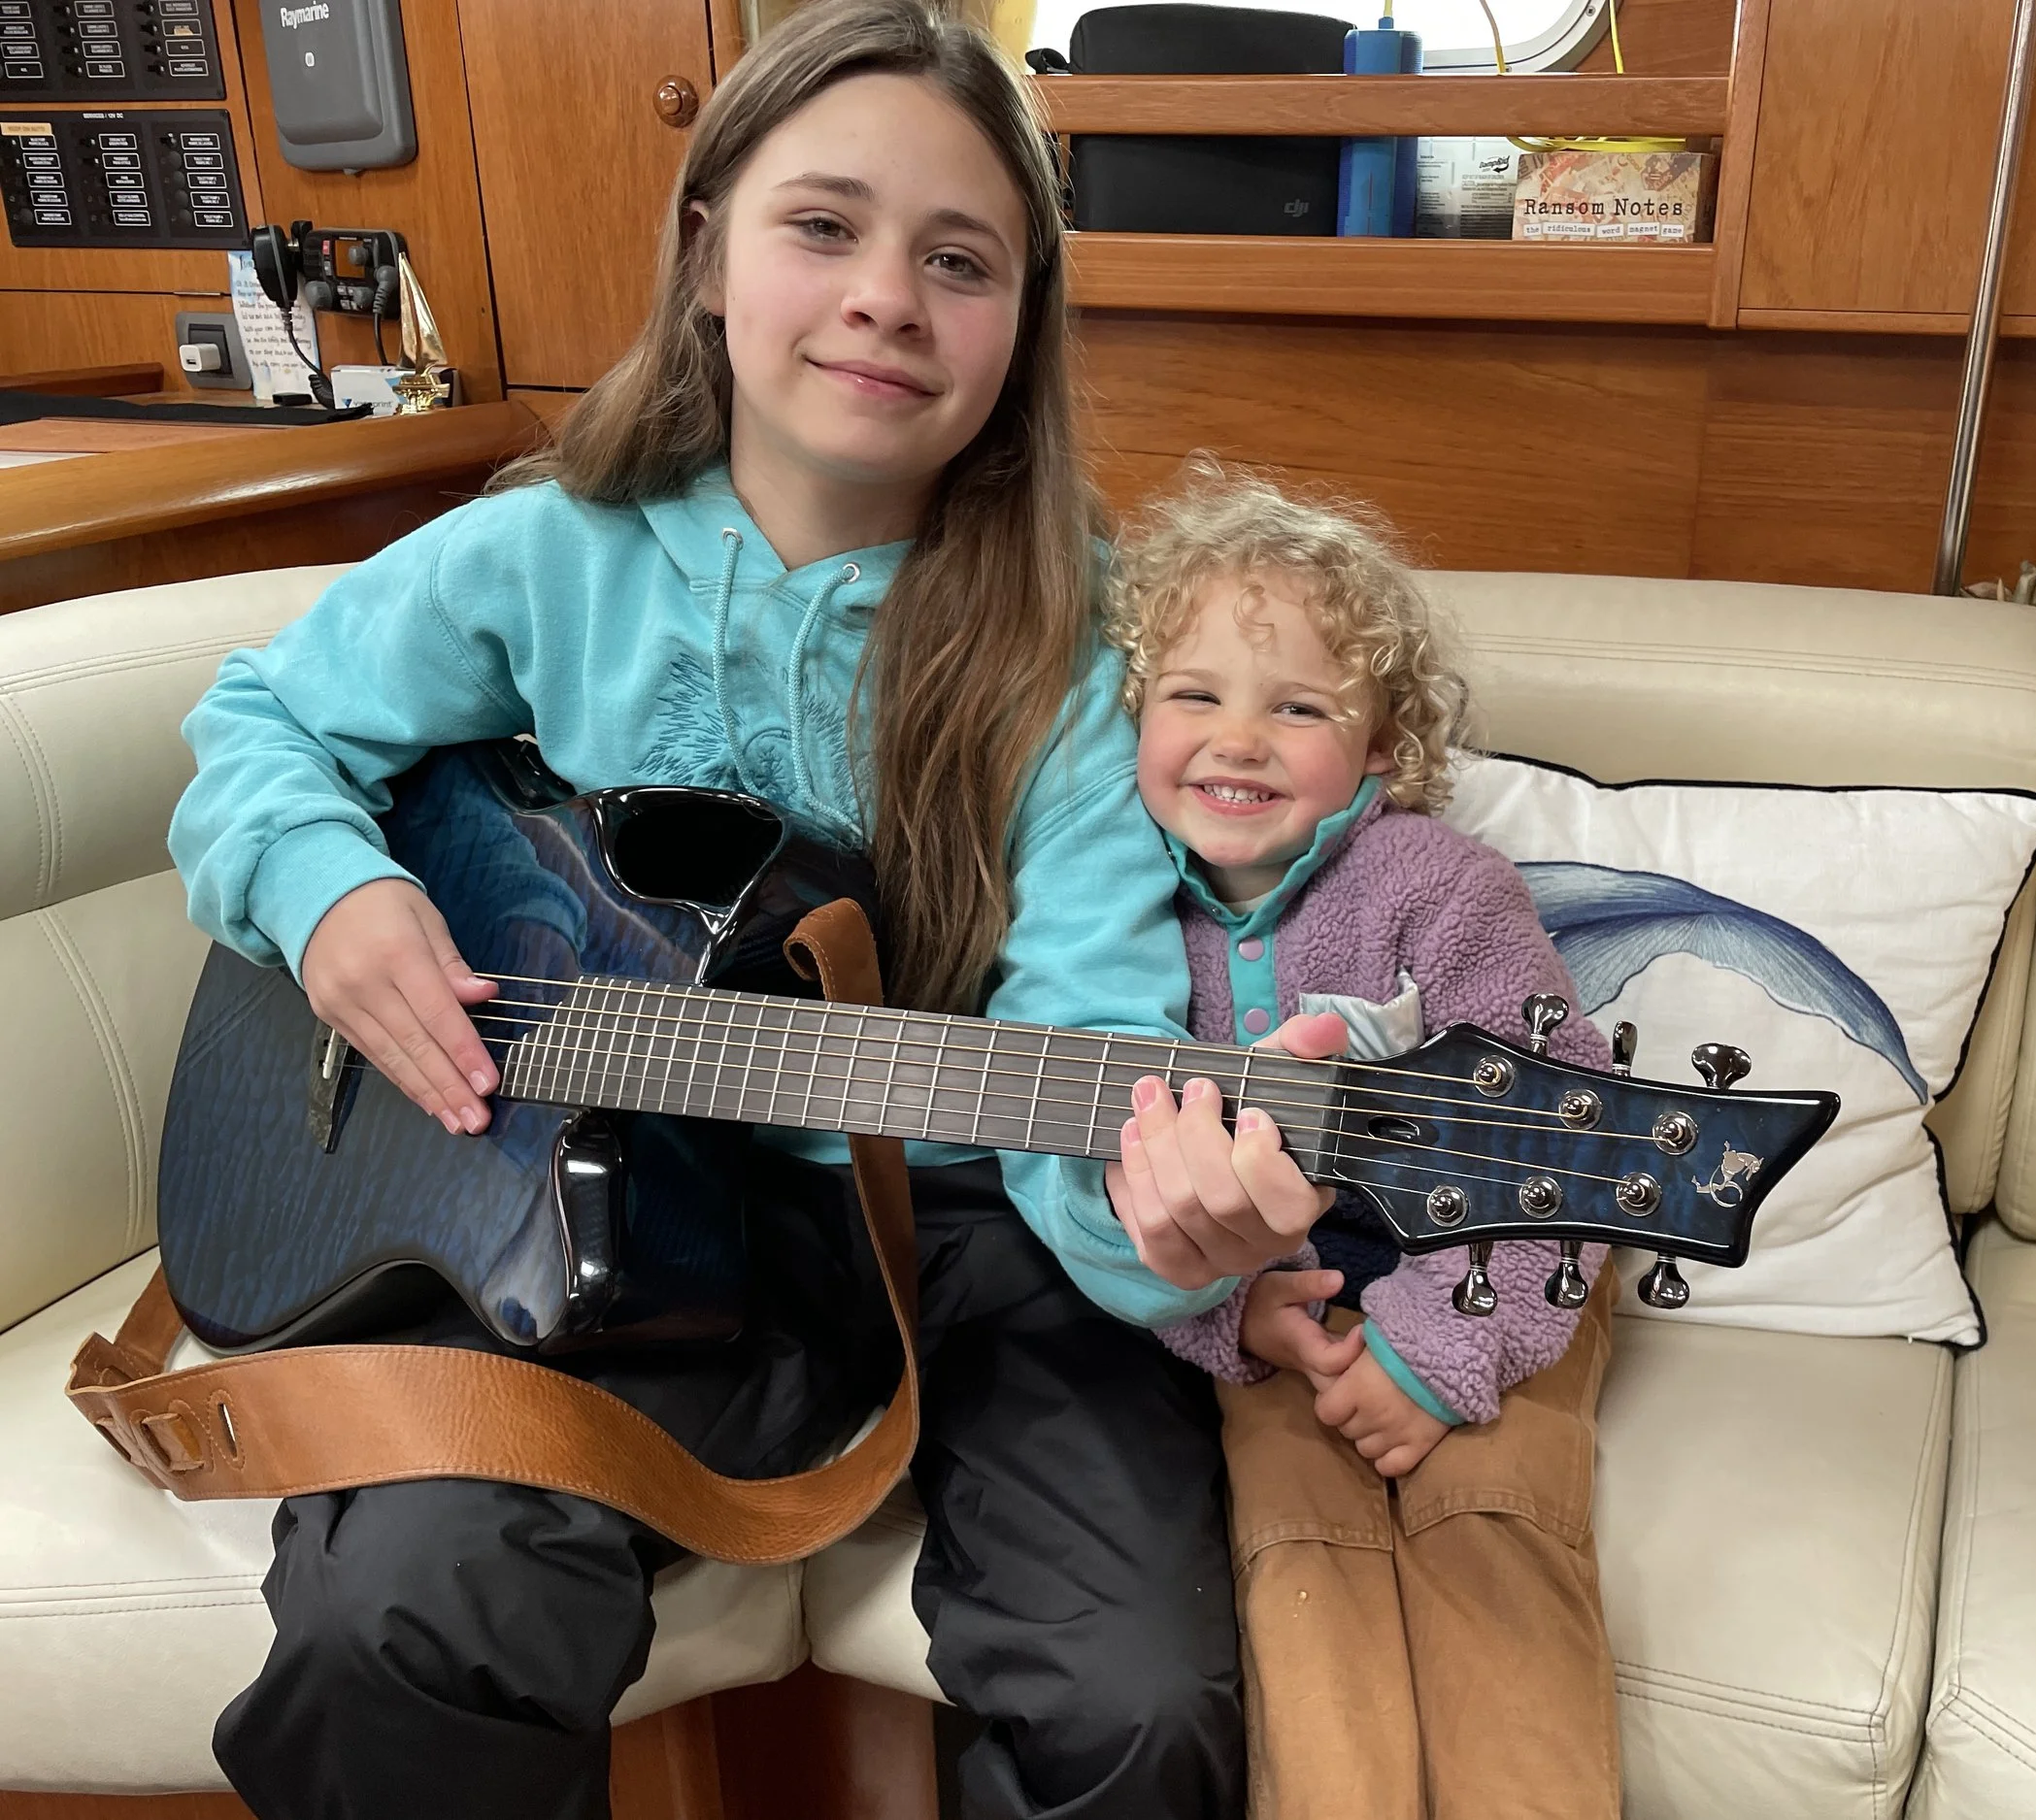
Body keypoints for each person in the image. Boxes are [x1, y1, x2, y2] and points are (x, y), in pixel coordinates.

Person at [166, 8, 1334, 1817]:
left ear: (1025, 323)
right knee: (401, 1612)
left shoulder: (1088, 646)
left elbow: (1092, 1024)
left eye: (961, 261)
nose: (886, 298)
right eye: (825, 226)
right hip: (576, 1199)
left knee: (1140, 1702)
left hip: (969, 1224)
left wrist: (1162, 1228)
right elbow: (262, 722)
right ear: (708, 252)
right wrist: (336, 898)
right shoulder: (538, 551)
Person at [1107, 462, 1628, 1819]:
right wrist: (1231, 1318)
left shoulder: (1441, 888)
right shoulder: (1109, 923)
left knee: (1491, 1512)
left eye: (1298, 707)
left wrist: (1436, 1354)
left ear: (1382, 747)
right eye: (1195, 696)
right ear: (1131, 716)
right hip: (1280, 1298)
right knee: (1297, 1550)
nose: (1239, 739)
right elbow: (1115, 1190)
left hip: (1504, 1261)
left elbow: (1566, 1137)